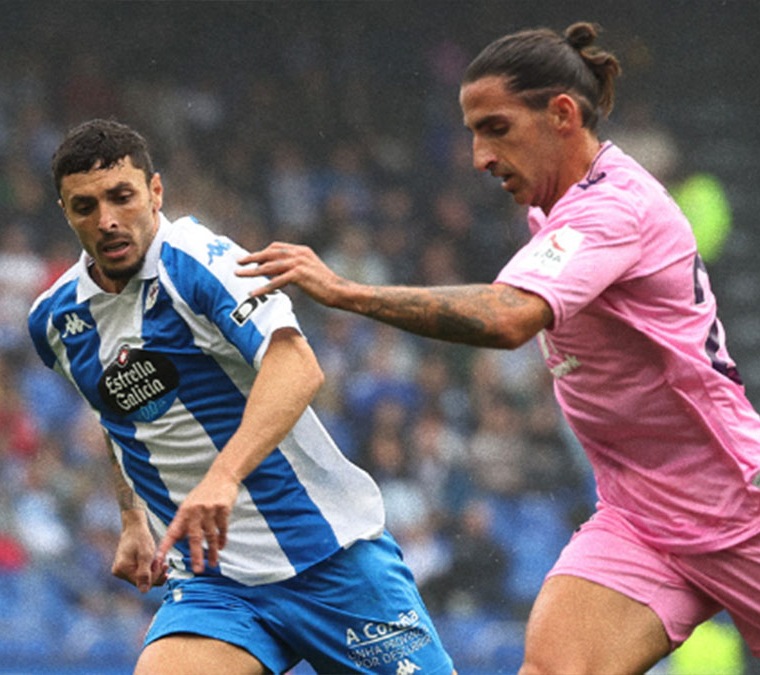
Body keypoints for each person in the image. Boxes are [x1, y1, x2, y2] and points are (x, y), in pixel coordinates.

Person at [238, 22, 760, 675]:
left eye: (496, 130)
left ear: (562, 114)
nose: (480, 157)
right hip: (641, 518)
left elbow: (508, 318)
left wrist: (348, 291)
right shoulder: (554, 205)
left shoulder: (610, 209)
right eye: (473, 133)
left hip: (752, 508)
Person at [27, 119, 453, 675]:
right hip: (216, 583)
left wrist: (224, 476)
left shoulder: (202, 262)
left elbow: (298, 367)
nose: (107, 220)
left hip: (329, 560)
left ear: (156, 193)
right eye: (85, 207)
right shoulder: (56, 320)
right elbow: (115, 415)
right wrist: (133, 519)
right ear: (65, 212)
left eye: (122, 197)